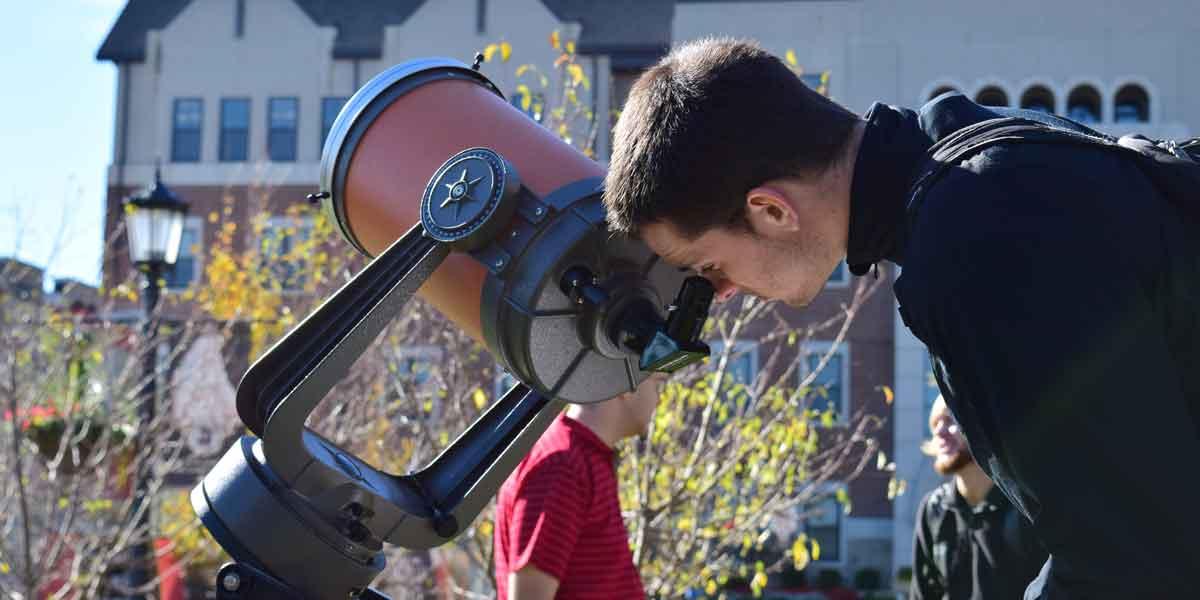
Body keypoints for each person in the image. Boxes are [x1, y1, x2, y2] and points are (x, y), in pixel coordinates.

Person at [602, 37, 1200, 599]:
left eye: (709, 266)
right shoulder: (979, 151)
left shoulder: (973, 244)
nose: (724, 292)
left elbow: (1132, 563)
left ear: (771, 211)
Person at [492, 374, 666, 599]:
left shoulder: (583, 458)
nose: (659, 399)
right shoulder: (563, 467)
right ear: (625, 380)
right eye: (658, 383)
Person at [913, 395, 1047, 599]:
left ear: (981, 428)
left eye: (950, 421)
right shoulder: (933, 509)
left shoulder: (1027, 505)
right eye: (935, 423)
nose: (939, 431)